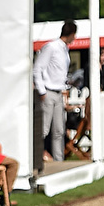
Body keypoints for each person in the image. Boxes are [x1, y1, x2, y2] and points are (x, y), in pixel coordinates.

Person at [33, 20, 76, 163]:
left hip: (59, 92)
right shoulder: (51, 47)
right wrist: (41, 91)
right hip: (48, 91)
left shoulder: (64, 49)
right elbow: (37, 68)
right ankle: (36, 158)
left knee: (59, 130)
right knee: (44, 129)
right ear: (71, 34)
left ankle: (59, 160)